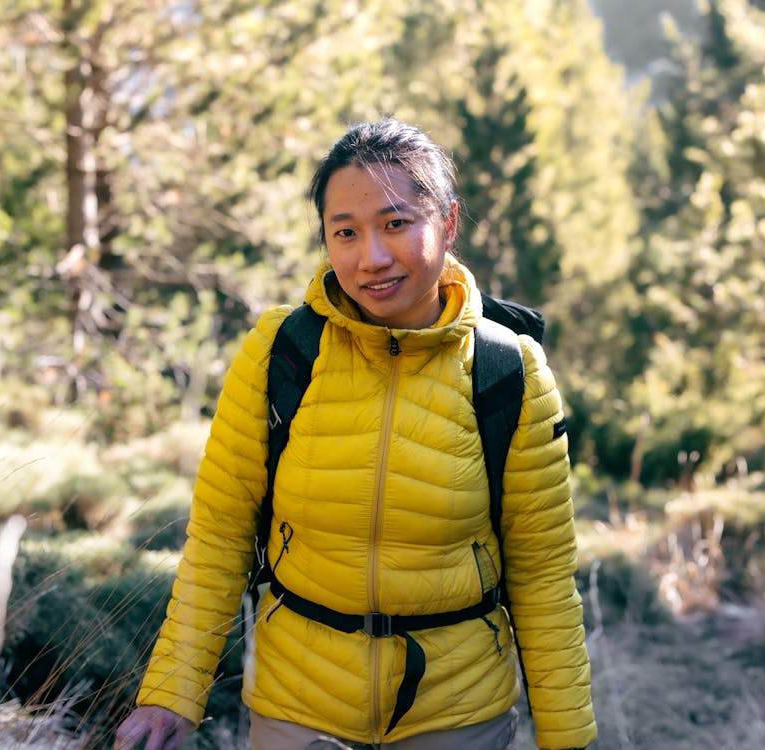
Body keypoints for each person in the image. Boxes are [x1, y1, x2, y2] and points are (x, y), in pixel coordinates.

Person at [115, 119, 596, 750]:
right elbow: (220, 536)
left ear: (448, 223)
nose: (371, 258)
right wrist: (170, 695)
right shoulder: (281, 352)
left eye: (396, 224)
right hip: (298, 710)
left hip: (457, 717)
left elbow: (542, 574)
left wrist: (567, 739)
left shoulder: (509, 370)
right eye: (345, 232)